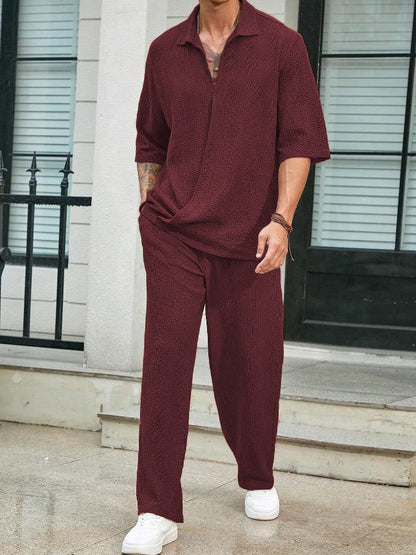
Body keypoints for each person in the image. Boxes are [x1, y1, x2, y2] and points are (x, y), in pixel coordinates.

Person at [122, 0, 330, 553]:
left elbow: (299, 141)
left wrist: (281, 221)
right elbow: (151, 140)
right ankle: (156, 509)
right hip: (173, 233)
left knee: (252, 364)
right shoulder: (165, 51)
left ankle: (257, 473)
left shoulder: (282, 46)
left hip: (251, 236)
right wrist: (148, 211)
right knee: (165, 362)